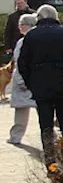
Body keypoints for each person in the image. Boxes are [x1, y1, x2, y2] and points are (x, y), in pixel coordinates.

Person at [18, 4, 63, 146]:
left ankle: (50, 158)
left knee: (46, 126)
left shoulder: (31, 35)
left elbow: (22, 63)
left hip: (40, 85)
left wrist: (30, 82)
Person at [7, 14, 37, 144]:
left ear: (26, 25)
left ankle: (16, 137)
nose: (19, 27)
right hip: (37, 81)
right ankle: (48, 137)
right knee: (43, 111)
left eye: (21, 24)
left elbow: (20, 63)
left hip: (23, 81)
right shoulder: (38, 38)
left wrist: (21, 81)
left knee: (21, 111)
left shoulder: (23, 41)